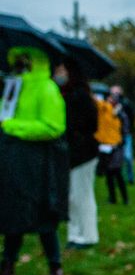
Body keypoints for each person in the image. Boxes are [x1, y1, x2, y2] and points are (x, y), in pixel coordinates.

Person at [0, 47, 68, 275]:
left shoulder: (47, 88)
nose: (19, 64)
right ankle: (7, 265)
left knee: (43, 214)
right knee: (12, 212)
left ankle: (55, 265)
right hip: (12, 157)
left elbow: (54, 126)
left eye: (24, 60)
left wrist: (14, 127)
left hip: (38, 160)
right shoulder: (12, 87)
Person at [54, 58, 99, 248]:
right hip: (71, 153)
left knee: (83, 195)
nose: (59, 75)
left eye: (62, 70)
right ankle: (75, 234)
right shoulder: (64, 95)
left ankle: (88, 235)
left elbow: (90, 125)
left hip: (83, 153)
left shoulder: (80, 96)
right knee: (72, 196)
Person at [94, 91, 129, 205]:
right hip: (105, 145)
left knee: (117, 173)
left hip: (116, 147)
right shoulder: (104, 111)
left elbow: (125, 131)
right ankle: (112, 198)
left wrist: (119, 143)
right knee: (109, 174)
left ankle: (125, 198)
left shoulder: (121, 115)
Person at [109, 85, 135, 184]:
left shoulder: (126, 104)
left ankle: (130, 178)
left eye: (116, 92)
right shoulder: (110, 105)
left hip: (125, 134)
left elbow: (131, 118)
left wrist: (129, 130)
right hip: (114, 134)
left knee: (128, 157)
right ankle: (119, 178)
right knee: (116, 159)